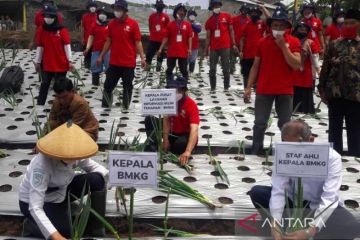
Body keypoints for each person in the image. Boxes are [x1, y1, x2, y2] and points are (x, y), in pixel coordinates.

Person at [248, 120, 360, 240]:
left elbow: (329, 197)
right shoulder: (284, 153)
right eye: (287, 145)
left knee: (351, 226)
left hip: (318, 205)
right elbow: (279, 190)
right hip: (293, 201)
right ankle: (286, 229)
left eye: (297, 146)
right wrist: (275, 222)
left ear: (311, 140)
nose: (292, 152)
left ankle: (309, 231)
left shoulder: (331, 158)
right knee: (258, 193)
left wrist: (310, 230)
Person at [19, 122, 108, 239]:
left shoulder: (77, 152)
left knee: (97, 180)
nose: (75, 158)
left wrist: (111, 178)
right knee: (67, 232)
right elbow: (35, 207)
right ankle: (32, 226)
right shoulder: (41, 166)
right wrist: (56, 236)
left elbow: (96, 168)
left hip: (62, 190)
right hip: (36, 201)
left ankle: (96, 227)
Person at [243, 6, 301, 155]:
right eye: (275, 25)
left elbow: (296, 64)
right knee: (260, 122)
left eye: (281, 25)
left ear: (287, 27)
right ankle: (256, 150)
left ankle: (286, 153)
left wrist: (283, 47)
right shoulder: (262, 42)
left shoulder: (294, 41)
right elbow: (255, 67)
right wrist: (248, 87)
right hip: (264, 88)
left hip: (285, 89)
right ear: (270, 26)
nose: (278, 28)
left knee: (285, 124)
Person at [318, 9, 360, 157]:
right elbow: (325, 68)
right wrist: (321, 89)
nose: (348, 26)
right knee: (334, 130)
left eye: (352, 23)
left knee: (355, 130)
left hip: (356, 96)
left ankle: (356, 163)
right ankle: (334, 161)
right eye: (346, 23)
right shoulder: (334, 44)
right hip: (335, 94)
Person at [97, 0, 145, 109]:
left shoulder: (133, 24)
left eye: (119, 9)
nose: (116, 11)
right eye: (115, 9)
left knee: (127, 87)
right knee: (108, 86)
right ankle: (106, 106)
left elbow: (138, 42)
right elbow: (108, 41)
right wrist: (101, 56)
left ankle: (125, 108)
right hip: (114, 62)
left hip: (128, 63)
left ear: (125, 10)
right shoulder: (112, 24)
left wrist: (142, 57)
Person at [145, 75, 199, 166]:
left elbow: (194, 129)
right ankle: (154, 146)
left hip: (184, 134)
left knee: (179, 146)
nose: (173, 92)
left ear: (183, 91)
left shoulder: (191, 105)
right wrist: (165, 140)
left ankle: (178, 149)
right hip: (171, 131)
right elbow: (166, 120)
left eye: (176, 90)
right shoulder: (170, 100)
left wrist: (188, 151)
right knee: (149, 119)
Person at [34, 4, 73, 106]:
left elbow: (67, 46)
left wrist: (70, 61)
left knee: (60, 86)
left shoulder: (61, 30)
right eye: (46, 16)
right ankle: (40, 104)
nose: (48, 18)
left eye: (50, 16)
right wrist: (38, 62)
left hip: (61, 63)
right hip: (47, 63)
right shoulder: (41, 29)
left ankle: (62, 106)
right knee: (45, 84)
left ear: (55, 18)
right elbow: (40, 46)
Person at [205, 0, 237, 91]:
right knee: (212, 69)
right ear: (212, 8)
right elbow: (207, 37)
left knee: (226, 68)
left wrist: (234, 43)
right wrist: (206, 50)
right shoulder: (209, 21)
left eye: (218, 5)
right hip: (214, 48)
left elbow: (231, 31)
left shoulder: (227, 16)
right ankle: (213, 87)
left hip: (225, 46)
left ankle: (226, 87)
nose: (217, 7)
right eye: (215, 6)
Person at [157, 3, 192, 81]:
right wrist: (160, 48)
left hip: (183, 51)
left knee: (183, 70)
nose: (182, 12)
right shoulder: (170, 24)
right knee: (169, 69)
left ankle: (184, 86)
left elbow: (190, 37)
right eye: (180, 10)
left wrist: (189, 48)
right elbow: (166, 37)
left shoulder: (187, 25)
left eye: (183, 11)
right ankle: (170, 84)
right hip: (172, 51)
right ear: (176, 12)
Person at [239, 6, 267, 89]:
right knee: (246, 73)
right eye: (252, 13)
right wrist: (241, 51)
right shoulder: (246, 25)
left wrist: (263, 8)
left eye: (256, 13)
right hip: (247, 54)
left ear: (259, 14)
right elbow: (242, 38)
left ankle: (257, 88)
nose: (254, 14)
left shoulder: (262, 24)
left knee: (259, 72)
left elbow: (270, 20)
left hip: (259, 54)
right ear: (250, 14)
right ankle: (246, 88)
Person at [292, 22, 316, 114]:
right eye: (300, 29)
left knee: (305, 90)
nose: (303, 31)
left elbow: (315, 58)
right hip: (293, 71)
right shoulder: (292, 41)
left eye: (305, 30)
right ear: (296, 30)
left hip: (306, 72)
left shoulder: (310, 42)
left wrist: (316, 71)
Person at [83, 7, 110, 86]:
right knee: (95, 66)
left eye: (104, 14)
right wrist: (87, 48)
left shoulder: (110, 25)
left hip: (107, 50)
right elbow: (91, 37)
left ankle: (108, 85)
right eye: (101, 13)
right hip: (96, 49)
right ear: (97, 15)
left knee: (109, 67)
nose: (102, 15)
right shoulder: (94, 25)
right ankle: (95, 84)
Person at [300, 3, 324, 79]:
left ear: (312, 11)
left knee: (316, 66)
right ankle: (308, 84)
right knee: (305, 66)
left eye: (308, 11)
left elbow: (320, 35)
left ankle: (318, 84)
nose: (307, 13)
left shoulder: (317, 21)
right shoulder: (301, 22)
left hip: (315, 47)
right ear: (302, 12)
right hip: (304, 47)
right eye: (305, 12)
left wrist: (323, 46)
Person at [145, 0, 170, 72]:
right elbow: (150, 26)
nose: (160, 7)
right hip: (153, 39)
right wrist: (153, 33)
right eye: (158, 6)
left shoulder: (166, 17)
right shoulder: (152, 16)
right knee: (149, 55)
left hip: (162, 41)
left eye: (161, 6)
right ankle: (147, 69)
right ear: (156, 7)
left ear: (163, 7)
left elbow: (167, 28)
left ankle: (158, 70)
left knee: (160, 56)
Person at [230, 4, 250, 74]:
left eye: (245, 10)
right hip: (234, 42)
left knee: (243, 59)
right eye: (243, 10)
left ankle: (243, 71)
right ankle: (231, 71)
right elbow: (230, 28)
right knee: (232, 59)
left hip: (244, 44)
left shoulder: (249, 20)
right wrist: (233, 42)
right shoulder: (234, 18)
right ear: (241, 11)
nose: (244, 11)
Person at [82, 0, 98, 69]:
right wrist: (82, 38)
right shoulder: (84, 16)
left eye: (94, 6)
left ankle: (95, 65)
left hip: (96, 39)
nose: (93, 8)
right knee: (87, 53)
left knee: (95, 53)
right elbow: (82, 28)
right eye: (91, 6)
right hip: (87, 38)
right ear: (88, 8)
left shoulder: (98, 16)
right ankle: (87, 65)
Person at [187, 9, 202, 74]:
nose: (192, 17)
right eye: (190, 15)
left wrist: (192, 24)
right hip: (186, 46)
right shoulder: (185, 24)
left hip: (194, 46)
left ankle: (191, 71)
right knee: (185, 60)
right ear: (187, 16)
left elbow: (198, 30)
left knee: (192, 60)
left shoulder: (197, 23)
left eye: (193, 15)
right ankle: (184, 72)